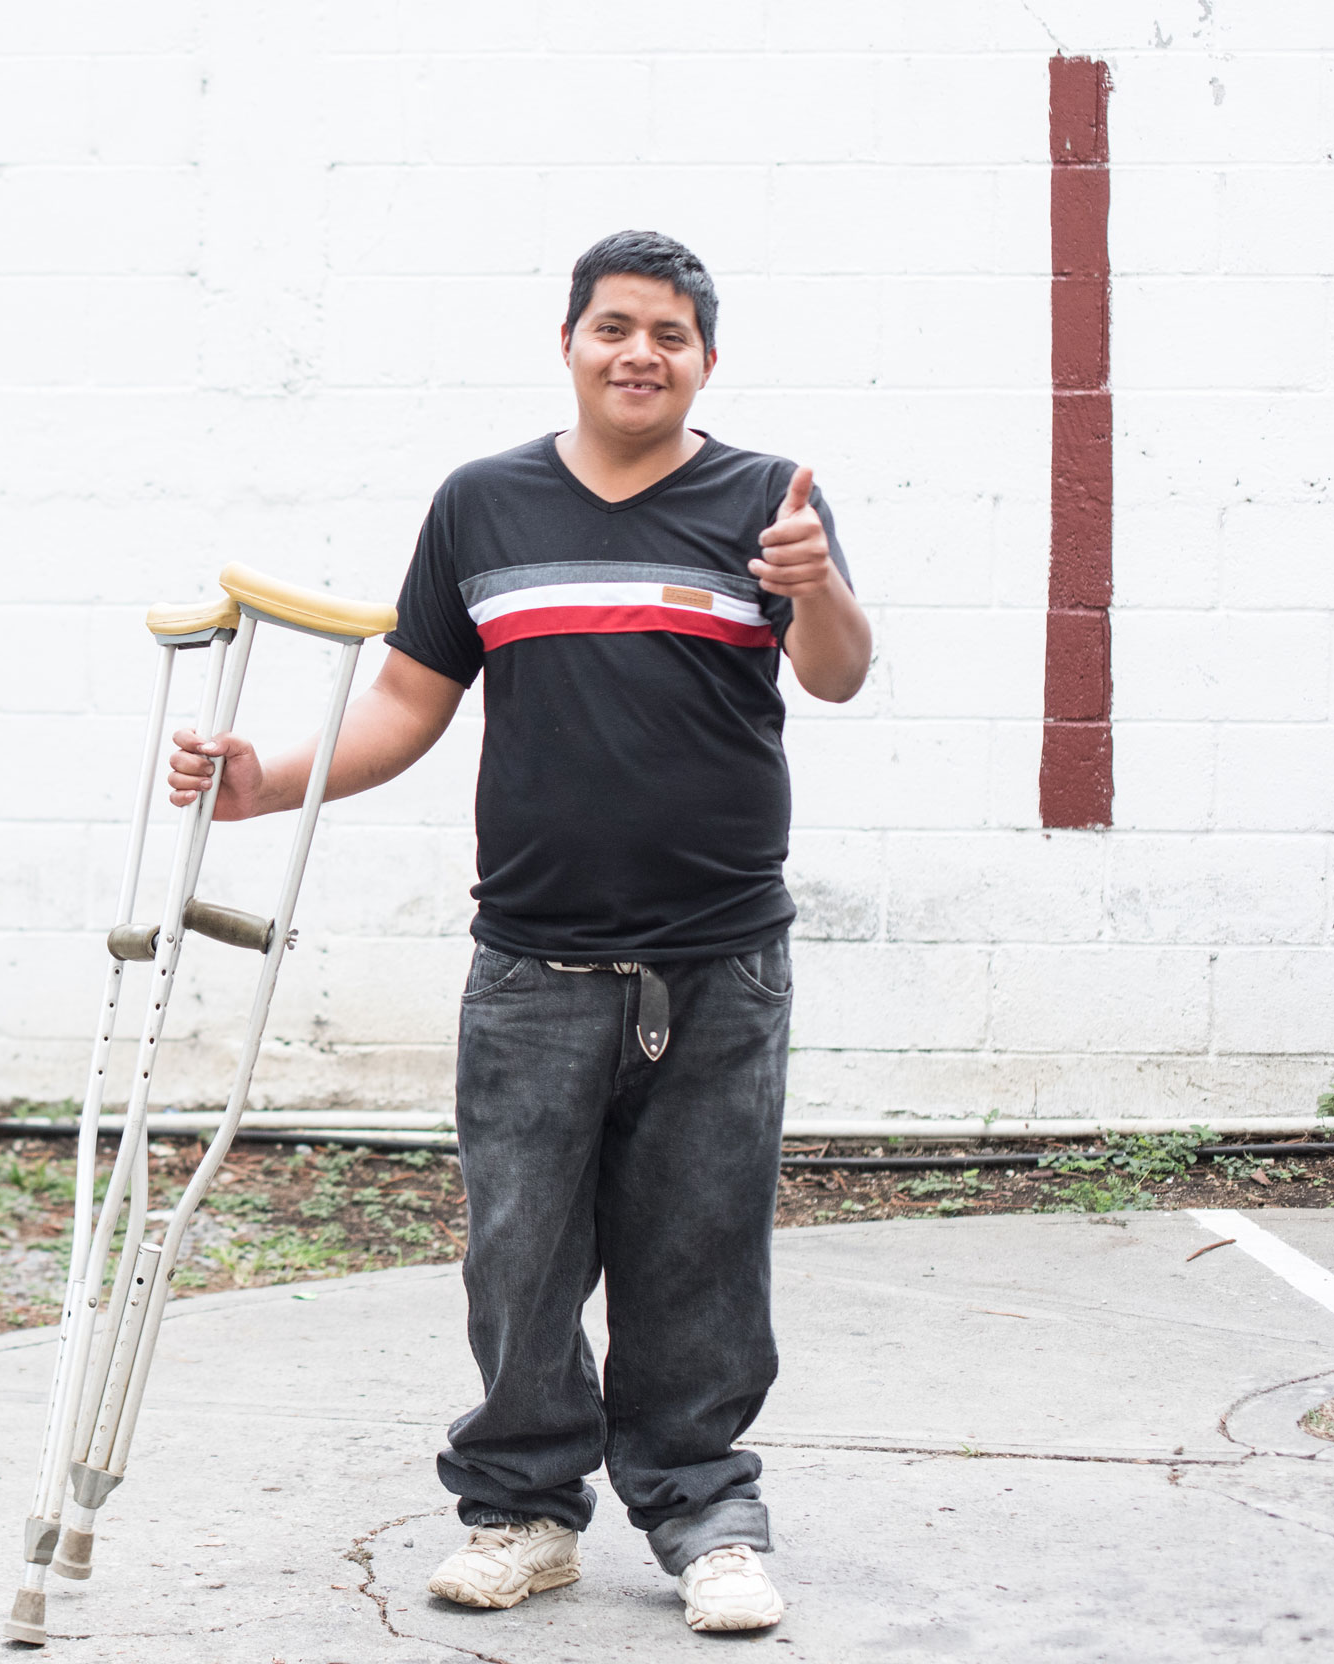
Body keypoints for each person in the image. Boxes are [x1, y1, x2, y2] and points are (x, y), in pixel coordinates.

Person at [165, 229, 870, 1634]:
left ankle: (706, 1517)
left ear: (704, 362)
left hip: (722, 960)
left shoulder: (770, 501)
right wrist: (263, 787)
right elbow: (410, 706)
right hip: (535, 964)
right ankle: (526, 1514)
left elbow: (839, 678)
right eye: (614, 328)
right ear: (570, 343)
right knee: (522, 1256)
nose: (639, 354)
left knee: (701, 1255)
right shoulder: (483, 506)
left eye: (669, 335)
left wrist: (817, 587)